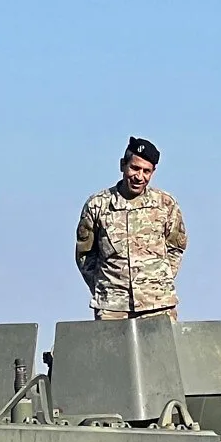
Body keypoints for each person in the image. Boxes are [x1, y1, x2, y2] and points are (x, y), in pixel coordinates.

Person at [75, 136, 189, 320]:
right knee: (111, 349)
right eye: (134, 168)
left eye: (146, 171)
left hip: (158, 304)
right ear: (123, 165)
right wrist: (105, 287)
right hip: (112, 306)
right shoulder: (98, 205)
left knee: (161, 350)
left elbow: (176, 247)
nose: (139, 176)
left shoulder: (166, 204)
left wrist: (159, 280)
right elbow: (85, 254)